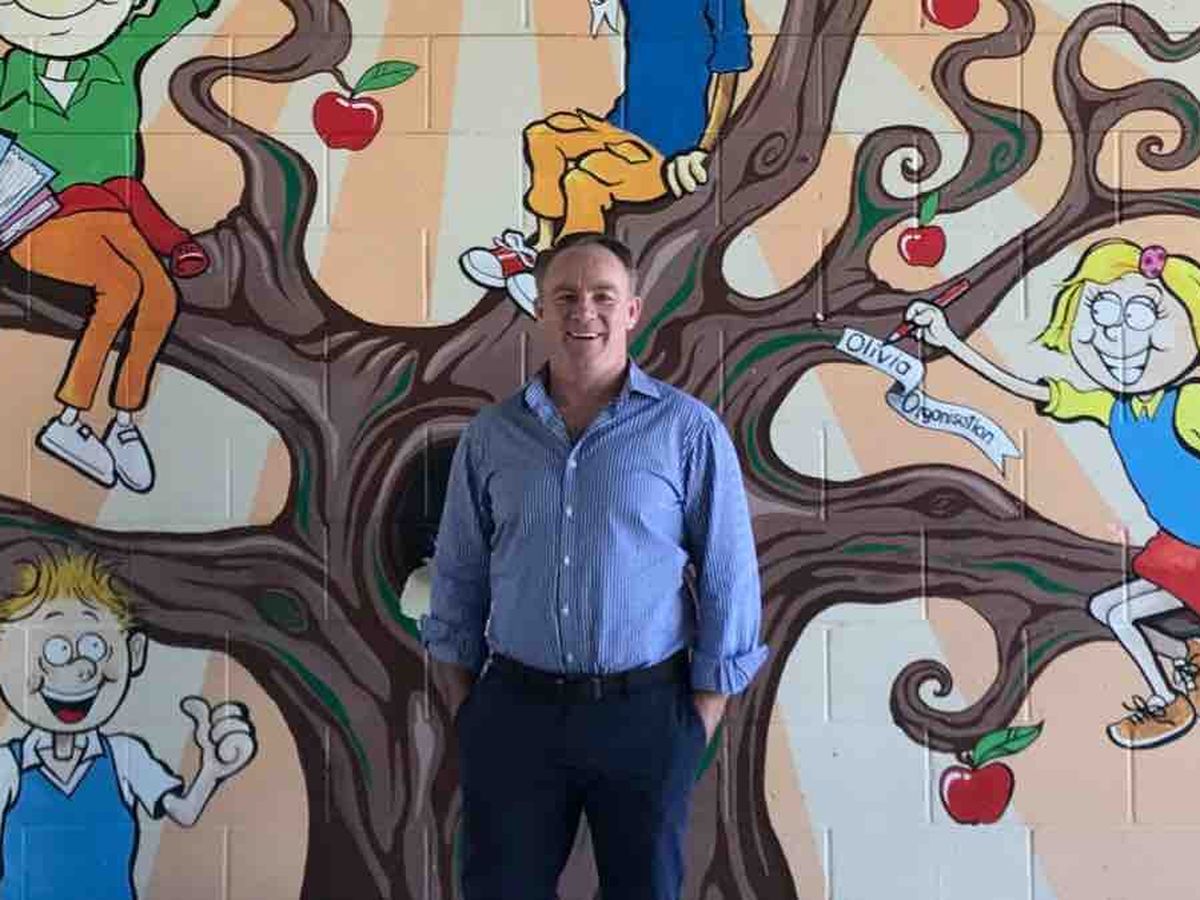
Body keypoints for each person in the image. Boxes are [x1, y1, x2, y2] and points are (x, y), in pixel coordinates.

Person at [421, 232, 767, 899]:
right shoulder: (492, 436)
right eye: (566, 296)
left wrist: (698, 719)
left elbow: (729, 575)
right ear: (539, 311)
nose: (585, 311)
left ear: (632, 311)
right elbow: (459, 575)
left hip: (647, 717)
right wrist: (469, 713)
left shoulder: (687, 431)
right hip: (515, 716)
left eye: (604, 296)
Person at [904, 238, 1200, 750]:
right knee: (1110, 609)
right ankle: (1183, 671)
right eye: (1101, 314)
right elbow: (1030, 388)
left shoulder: (1190, 402)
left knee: (1117, 612)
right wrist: (948, 339)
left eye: (1140, 316)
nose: (1117, 335)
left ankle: (1169, 700)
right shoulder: (1114, 408)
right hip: (1180, 544)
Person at [0, 0, 219, 493]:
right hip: (42, 216)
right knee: (120, 287)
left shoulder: (117, 56)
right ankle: (70, 418)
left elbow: (177, 11)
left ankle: (123, 420)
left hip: (111, 212)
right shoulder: (12, 70)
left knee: (160, 297)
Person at [458, 0, 750, 315]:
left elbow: (728, 74)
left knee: (583, 181)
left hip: (669, 150)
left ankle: (571, 281)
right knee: (543, 137)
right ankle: (540, 249)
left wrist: (702, 149)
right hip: (623, 126)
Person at [0, 550, 256, 900]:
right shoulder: (7, 766)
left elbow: (184, 812)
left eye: (94, 646)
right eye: (53, 650)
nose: (78, 670)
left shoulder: (125, 756)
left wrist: (212, 769)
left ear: (134, 651)